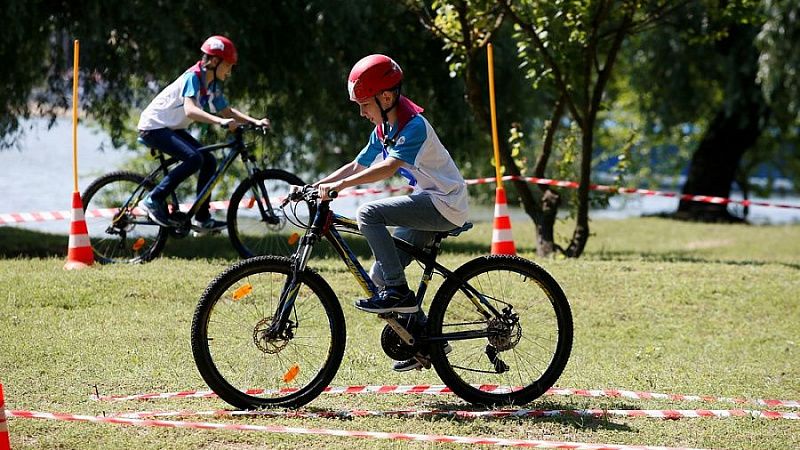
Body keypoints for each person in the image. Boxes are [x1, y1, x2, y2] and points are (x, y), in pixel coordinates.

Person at [315, 54, 468, 371]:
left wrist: (341, 187)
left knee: (369, 213)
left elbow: (387, 168)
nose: (361, 112)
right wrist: (315, 184)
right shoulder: (385, 128)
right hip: (430, 202)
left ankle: (399, 292)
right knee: (379, 275)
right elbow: (359, 164)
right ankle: (425, 342)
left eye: (364, 104)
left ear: (386, 97)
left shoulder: (414, 127)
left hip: (444, 203)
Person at [137, 35, 270, 231]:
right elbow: (190, 110)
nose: (230, 72)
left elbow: (227, 111)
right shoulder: (193, 77)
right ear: (215, 62)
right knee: (194, 159)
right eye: (228, 66)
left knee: (209, 160)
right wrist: (220, 122)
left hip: (170, 128)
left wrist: (255, 121)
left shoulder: (211, 85)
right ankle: (153, 199)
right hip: (153, 127)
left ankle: (201, 217)